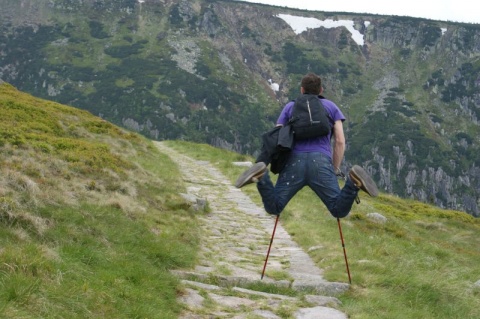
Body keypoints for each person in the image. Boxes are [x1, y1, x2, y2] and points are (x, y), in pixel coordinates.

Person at [234, 73, 378, 218]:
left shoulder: (291, 106)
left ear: (302, 90)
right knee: (338, 210)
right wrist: (333, 169)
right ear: (321, 90)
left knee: (275, 206)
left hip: (294, 163)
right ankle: (353, 183)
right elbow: (340, 141)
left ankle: (262, 177)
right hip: (321, 163)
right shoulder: (331, 107)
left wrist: (273, 162)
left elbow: (278, 135)